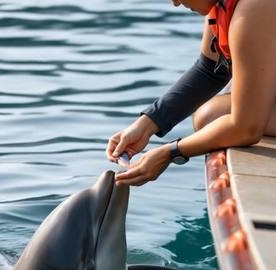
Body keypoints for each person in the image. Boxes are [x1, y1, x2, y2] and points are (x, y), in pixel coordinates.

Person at [106, 0, 276, 186]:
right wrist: (146, 124)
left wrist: (171, 152)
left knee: (215, 116)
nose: (175, 2)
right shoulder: (224, 5)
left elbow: (247, 128)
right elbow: (210, 70)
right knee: (211, 116)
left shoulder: (255, 7)